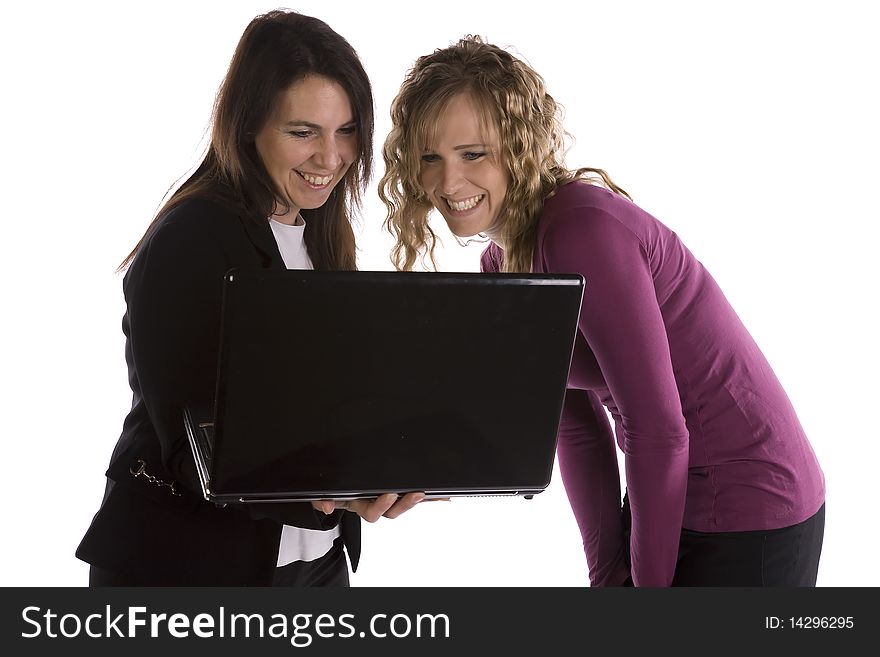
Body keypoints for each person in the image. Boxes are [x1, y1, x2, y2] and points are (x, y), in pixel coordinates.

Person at [379, 36, 826, 587]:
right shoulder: (501, 262)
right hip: (667, 493)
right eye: (431, 157)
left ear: (519, 146)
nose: (449, 183)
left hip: (748, 502)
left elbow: (658, 430)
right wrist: (606, 573)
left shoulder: (579, 229)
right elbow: (574, 425)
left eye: (474, 153)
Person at [76, 9, 424, 587]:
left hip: (315, 564)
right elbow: (193, 447)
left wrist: (394, 461)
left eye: (346, 130)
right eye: (303, 131)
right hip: (188, 568)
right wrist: (334, 493)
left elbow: (323, 404)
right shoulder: (190, 239)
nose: (331, 157)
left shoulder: (321, 231)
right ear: (248, 125)